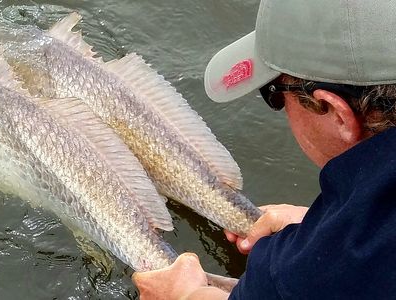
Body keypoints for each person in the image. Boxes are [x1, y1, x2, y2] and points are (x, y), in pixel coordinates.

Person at [132, 0, 396, 299]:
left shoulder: (313, 274)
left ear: (337, 113)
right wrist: (327, 226)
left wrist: (183, 294)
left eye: (273, 94)